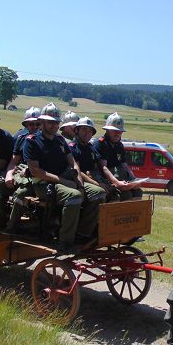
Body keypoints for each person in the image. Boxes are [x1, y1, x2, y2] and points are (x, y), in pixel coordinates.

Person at [22, 103, 101, 250]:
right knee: (74, 196)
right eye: (50, 122)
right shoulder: (32, 141)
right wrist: (64, 181)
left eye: (56, 123)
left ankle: (83, 233)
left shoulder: (59, 140)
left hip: (65, 180)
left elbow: (73, 164)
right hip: (44, 184)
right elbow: (35, 171)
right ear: (42, 122)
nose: (54, 126)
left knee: (98, 193)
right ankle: (65, 241)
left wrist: (80, 183)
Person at [0, 107, 40, 232]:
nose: (34, 126)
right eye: (31, 124)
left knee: (22, 193)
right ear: (26, 125)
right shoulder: (21, 139)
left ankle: (12, 226)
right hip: (21, 174)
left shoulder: (46, 141)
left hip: (37, 175)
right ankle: (4, 224)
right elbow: (13, 162)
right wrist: (9, 175)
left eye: (37, 124)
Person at [93, 112, 143, 201]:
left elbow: (124, 166)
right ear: (107, 130)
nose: (117, 133)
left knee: (138, 192)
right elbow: (104, 167)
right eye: (114, 131)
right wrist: (117, 182)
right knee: (125, 194)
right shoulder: (100, 143)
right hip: (105, 180)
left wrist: (134, 179)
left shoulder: (119, 146)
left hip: (119, 179)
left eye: (120, 131)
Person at [69, 116, 110, 205]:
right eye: (84, 129)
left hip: (92, 178)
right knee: (99, 192)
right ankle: (90, 219)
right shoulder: (72, 147)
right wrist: (97, 183)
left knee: (113, 192)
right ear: (77, 131)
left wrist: (103, 181)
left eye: (90, 131)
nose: (87, 133)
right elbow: (78, 171)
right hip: (78, 180)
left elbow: (96, 167)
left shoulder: (90, 148)